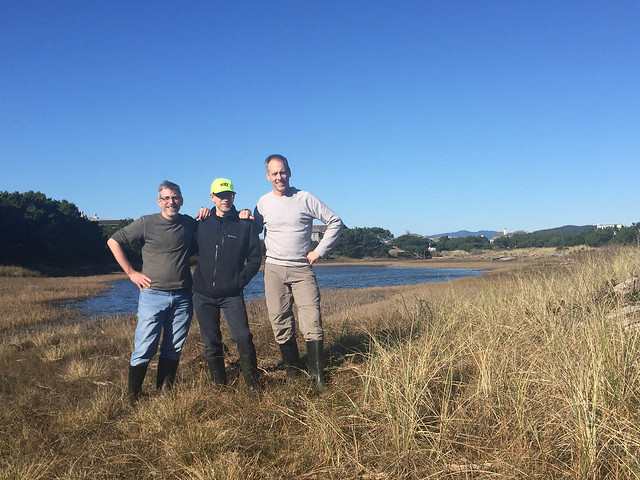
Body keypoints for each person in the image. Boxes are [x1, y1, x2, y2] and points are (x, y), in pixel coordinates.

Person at [253, 154, 343, 393]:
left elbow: (335, 221)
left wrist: (318, 251)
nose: (279, 177)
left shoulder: (305, 198)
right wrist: (241, 215)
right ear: (267, 176)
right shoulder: (262, 203)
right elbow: (249, 231)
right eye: (274, 173)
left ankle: (318, 378)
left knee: (312, 320)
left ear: (289, 172)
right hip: (273, 269)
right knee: (279, 321)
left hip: (302, 268)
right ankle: (293, 374)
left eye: (282, 172)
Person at [107, 180, 203, 404]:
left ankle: (164, 395)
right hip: (153, 295)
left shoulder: (189, 224)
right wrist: (131, 272)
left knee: (173, 347)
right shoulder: (146, 223)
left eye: (175, 198)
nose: (172, 202)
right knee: (145, 346)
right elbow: (113, 240)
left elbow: (213, 228)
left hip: (182, 296)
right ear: (159, 201)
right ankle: (133, 397)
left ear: (181, 200)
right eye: (167, 198)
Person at [192, 178, 262, 395]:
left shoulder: (244, 224)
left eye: (229, 195)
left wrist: (239, 281)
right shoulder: (201, 223)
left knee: (243, 337)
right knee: (211, 341)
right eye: (221, 195)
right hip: (202, 294)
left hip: (232, 294)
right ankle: (220, 387)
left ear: (234, 196)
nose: (225, 199)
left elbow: (255, 259)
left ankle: (252, 384)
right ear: (212, 197)